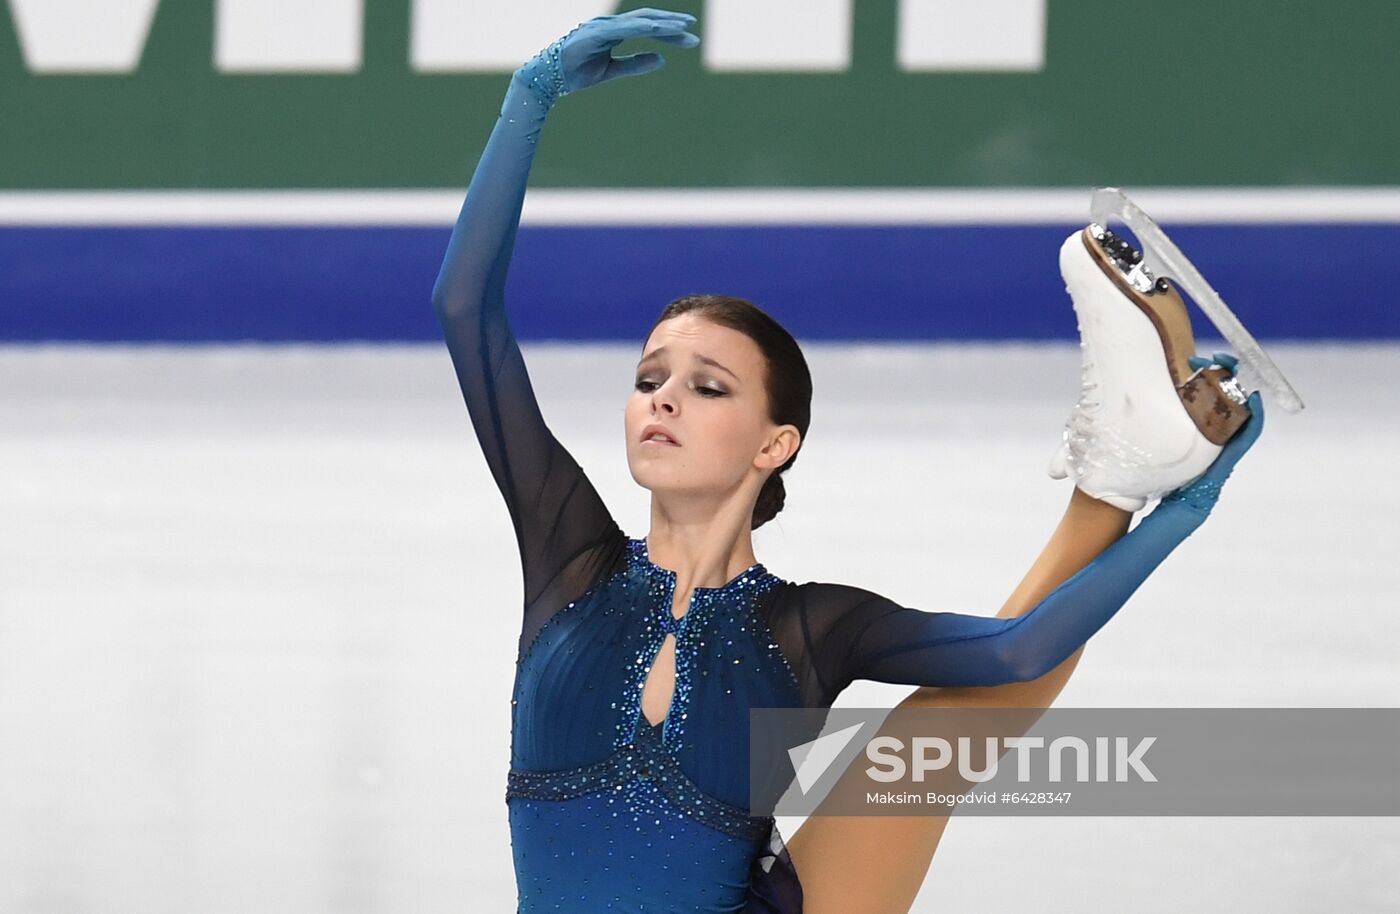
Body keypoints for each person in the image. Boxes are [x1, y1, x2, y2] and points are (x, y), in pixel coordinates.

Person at [429, 10, 1265, 913]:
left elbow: (1021, 647)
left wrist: (1184, 513)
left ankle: (1119, 475)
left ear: (774, 443)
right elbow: (465, 309)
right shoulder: (571, 559)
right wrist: (532, 93)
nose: (662, 398)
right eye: (649, 378)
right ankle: (1125, 469)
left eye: (708, 388)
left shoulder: (814, 627)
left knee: (925, 743)